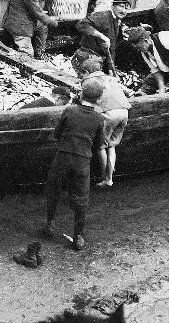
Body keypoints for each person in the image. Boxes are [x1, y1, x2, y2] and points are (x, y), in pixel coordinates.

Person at [42, 78, 105, 252]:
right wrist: (106, 173)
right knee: (81, 199)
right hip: (82, 161)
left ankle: (50, 224)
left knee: (53, 189)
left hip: (62, 157)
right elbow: (99, 145)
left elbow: (56, 134)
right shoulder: (99, 118)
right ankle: (78, 236)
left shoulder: (69, 111)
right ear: (99, 99)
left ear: (80, 94)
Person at [80, 59, 131, 188]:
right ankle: (110, 177)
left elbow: (84, 101)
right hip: (124, 111)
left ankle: (105, 178)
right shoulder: (111, 78)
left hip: (108, 114)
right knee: (112, 145)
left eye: (81, 74)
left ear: (86, 72)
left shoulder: (88, 81)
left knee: (101, 146)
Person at [72, 0, 134, 75]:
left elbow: (111, 49)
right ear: (112, 5)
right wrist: (102, 36)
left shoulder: (117, 21)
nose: (124, 11)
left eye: (127, 8)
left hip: (99, 59)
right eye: (121, 6)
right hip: (87, 57)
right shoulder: (103, 16)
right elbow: (81, 25)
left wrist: (111, 69)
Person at [128, 27, 169, 94]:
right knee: (147, 82)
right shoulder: (144, 52)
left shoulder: (163, 38)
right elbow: (156, 70)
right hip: (168, 66)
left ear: (145, 41)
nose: (138, 50)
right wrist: (161, 89)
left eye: (139, 47)